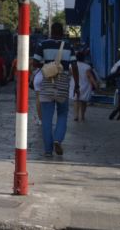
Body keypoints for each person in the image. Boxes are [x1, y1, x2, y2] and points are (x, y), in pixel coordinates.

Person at [37, 22, 80, 157]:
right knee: (62, 114)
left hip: (47, 83)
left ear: (51, 31)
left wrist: (48, 64)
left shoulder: (42, 45)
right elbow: (74, 66)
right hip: (62, 84)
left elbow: (35, 63)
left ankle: (48, 150)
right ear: (62, 32)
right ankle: (58, 139)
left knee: (47, 118)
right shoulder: (69, 46)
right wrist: (77, 85)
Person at [73, 51, 98, 122]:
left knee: (76, 100)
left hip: (75, 84)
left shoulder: (72, 65)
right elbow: (90, 77)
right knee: (83, 101)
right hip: (85, 86)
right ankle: (82, 116)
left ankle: (76, 116)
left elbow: (69, 74)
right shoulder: (87, 67)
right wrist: (95, 85)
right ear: (83, 58)